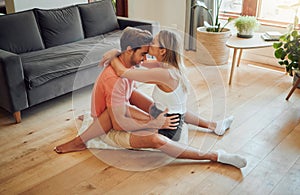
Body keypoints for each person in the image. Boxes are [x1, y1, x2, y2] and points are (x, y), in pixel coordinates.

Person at [55, 27, 246, 168]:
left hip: (169, 131)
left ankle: (215, 155)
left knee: (155, 138)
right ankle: (214, 125)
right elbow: (136, 69)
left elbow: (123, 72)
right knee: (150, 103)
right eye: (145, 52)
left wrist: (153, 124)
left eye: (151, 47)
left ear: (162, 50)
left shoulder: (162, 73)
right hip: (172, 116)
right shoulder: (167, 65)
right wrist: (119, 53)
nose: (147, 56)